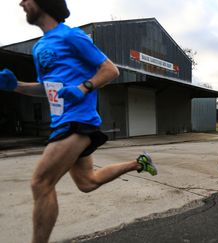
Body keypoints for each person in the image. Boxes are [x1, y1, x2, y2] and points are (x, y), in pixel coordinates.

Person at [0, 1, 157, 242]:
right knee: (87, 182)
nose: (21, 2)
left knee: (40, 183)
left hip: (77, 121)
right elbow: (45, 88)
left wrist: (84, 87)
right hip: (60, 122)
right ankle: (138, 163)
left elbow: (110, 70)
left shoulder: (72, 36)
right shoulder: (39, 47)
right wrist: (17, 87)